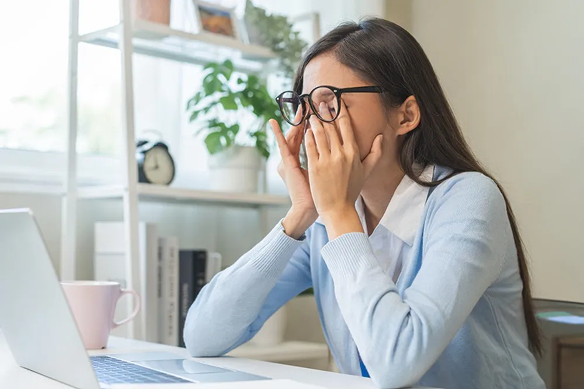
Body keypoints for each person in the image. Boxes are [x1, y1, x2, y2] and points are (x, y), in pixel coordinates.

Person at [183, 18, 545, 389]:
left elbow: (397, 364)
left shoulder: (467, 199)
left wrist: (337, 213)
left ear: (405, 115)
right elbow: (201, 336)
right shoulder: (328, 217)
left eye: (331, 102)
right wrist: (301, 214)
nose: (311, 125)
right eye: (305, 105)